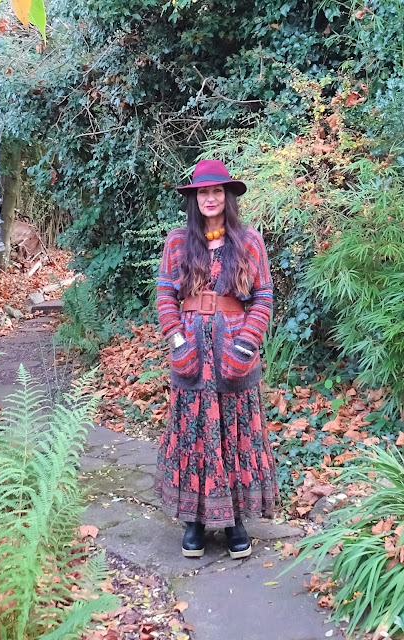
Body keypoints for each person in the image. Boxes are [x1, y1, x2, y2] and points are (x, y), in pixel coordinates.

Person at [154, 159, 278, 559]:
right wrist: (178, 343)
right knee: (193, 434)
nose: (210, 198)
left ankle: (235, 520)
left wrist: (245, 346)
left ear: (227, 197)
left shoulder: (249, 241)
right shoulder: (177, 242)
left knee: (233, 435)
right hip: (192, 352)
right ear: (194, 198)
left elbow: (263, 297)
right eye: (203, 192)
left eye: (217, 191)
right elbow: (165, 296)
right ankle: (194, 520)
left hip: (233, 353)